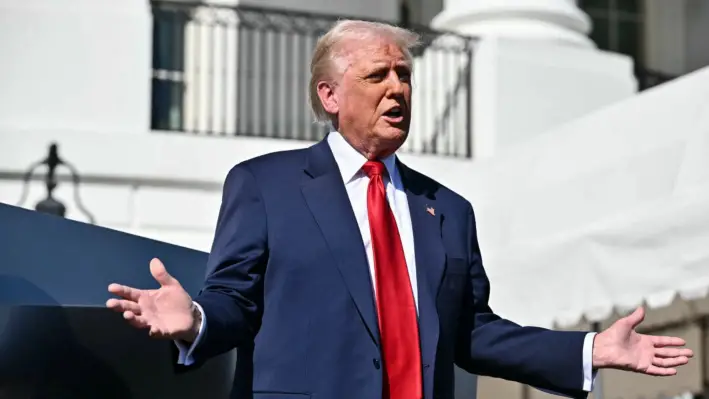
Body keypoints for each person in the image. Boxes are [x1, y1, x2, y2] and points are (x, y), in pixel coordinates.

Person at [106, 20, 693, 399]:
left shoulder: (449, 211)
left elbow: (473, 333)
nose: (398, 90)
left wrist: (591, 350)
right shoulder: (265, 185)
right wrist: (197, 320)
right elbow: (235, 299)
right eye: (378, 76)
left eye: (405, 76)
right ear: (329, 95)